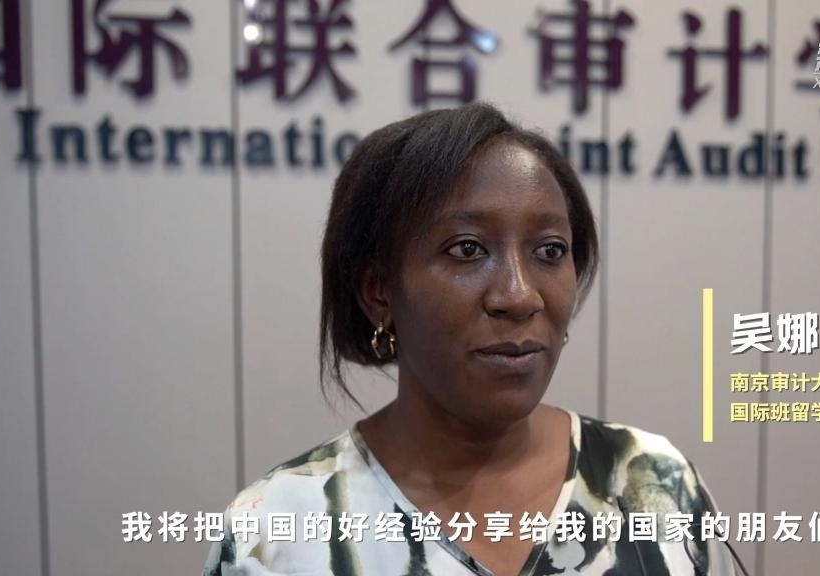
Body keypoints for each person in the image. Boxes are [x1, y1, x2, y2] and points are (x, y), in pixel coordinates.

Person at [202, 103, 738, 576]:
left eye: (550, 251)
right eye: (467, 249)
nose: (520, 295)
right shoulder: (276, 531)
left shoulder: (653, 484)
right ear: (379, 291)